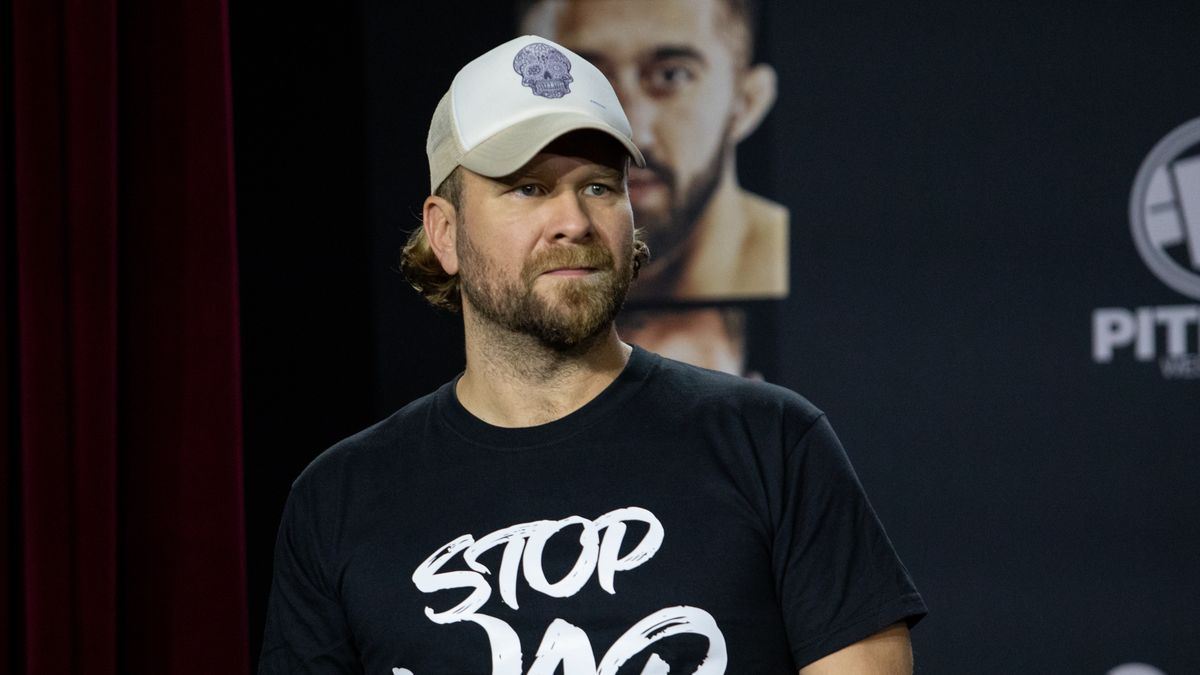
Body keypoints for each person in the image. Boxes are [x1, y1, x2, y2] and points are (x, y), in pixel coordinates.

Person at [258, 35, 925, 674]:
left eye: (600, 186)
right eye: (529, 187)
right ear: (446, 233)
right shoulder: (339, 499)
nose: (574, 219)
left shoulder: (773, 444)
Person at [518, 0, 787, 303]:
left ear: (746, 103)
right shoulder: (507, 266)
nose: (632, 131)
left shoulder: (800, 253)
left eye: (671, 75)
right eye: (585, 79)